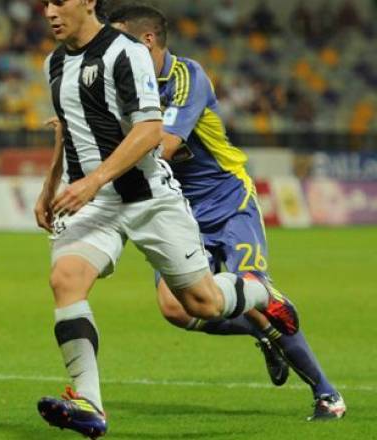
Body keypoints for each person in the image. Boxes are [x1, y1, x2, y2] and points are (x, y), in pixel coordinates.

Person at [33, 1, 299, 438]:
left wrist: (94, 180)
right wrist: (50, 186)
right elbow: (69, 128)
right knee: (66, 280)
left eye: (59, 1)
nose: (49, 12)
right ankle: (89, 403)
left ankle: (258, 291)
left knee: (203, 303)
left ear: (88, 2)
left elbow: (150, 130)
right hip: (93, 202)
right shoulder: (55, 63)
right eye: (44, 3)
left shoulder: (127, 52)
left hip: (148, 197)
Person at [107, 4, 345, 421]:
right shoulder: (122, 85)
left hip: (227, 201)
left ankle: (327, 395)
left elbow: (164, 146)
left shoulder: (186, 77)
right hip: (177, 209)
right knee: (177, 309)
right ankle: (264, 332)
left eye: (120, 41)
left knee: (252, 288)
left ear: (147, 40)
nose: (113, 51)